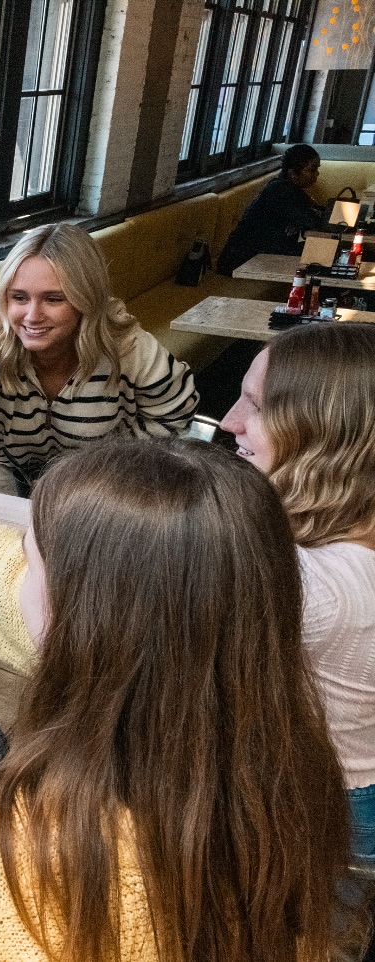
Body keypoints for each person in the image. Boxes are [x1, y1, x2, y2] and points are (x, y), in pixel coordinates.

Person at [0, 410, 351, 962]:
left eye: (30, 560)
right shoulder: (293, 766)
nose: (15, 570)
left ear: (82, 618)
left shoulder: (26, 843)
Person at [0, 223, 198, 491]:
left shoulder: (126, 345)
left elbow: (175, 413)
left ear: (86, 299)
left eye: (53, 299)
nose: (32, 316)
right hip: (6, 483)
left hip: (99, 490)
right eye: (19, 297)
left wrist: (117, 469)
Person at [220, 323, 375, 866]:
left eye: (257, 406)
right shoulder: (349, 529)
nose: (229, 421)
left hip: (332, 806)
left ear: (321, 435)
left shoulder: (316, 583)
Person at [216, 143, 326, 275]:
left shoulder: (291, 189)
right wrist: (304, 219)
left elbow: (315, 214)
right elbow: (313, 221)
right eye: (312, 170)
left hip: (264, 251)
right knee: (319, 259)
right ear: (293, 173)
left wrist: (302, 220)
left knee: (320, 256)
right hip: (240, 261)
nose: (317, 174)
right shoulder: (279, 191)